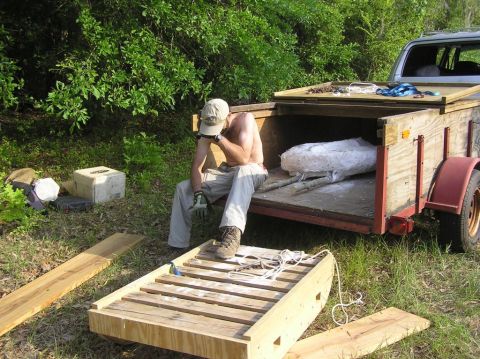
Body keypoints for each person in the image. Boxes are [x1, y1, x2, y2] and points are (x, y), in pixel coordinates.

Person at [167, 98, 267, 259]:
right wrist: (198, 193)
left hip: (253, 171)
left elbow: (243, 158)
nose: (214, 130)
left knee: (243, 170)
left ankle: (231, 234)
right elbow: (197, 167)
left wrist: (219, 138)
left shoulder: (245, 120)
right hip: (227, 172)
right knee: (183, 188)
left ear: (229, 116)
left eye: (218, 126)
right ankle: (177, 244)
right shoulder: (207, 125)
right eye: (211, 127)